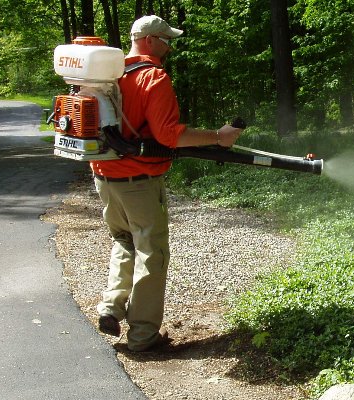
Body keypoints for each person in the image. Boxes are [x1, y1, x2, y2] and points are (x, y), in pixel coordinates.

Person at [90, 15, 243, 352]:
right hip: (138, 182)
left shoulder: (107, 75)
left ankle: (111, 306)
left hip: (103, 175)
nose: (170, 46)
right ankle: (143, 337)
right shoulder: (152, 77)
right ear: (149, 40)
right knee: (152, 252)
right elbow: (169, 135)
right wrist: (218, 136)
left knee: (124, 239)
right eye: (166, 39)